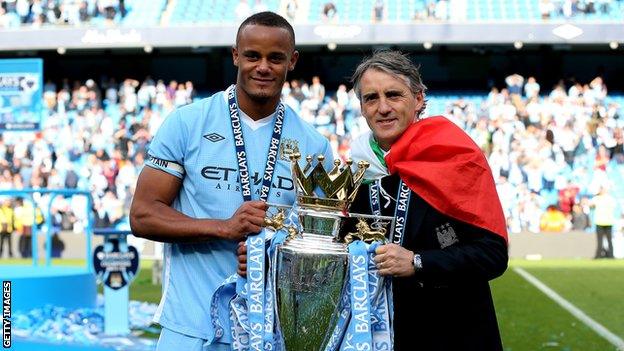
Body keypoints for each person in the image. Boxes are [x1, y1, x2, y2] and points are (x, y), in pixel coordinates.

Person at [129, 11, 332, 351]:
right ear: (236, 55)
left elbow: (319, 248)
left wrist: (273, 255)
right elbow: (143, 214)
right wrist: (224, 227)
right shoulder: (187, 123)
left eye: (275, 58)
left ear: (292, 61)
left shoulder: (314, 146)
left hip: (270, 333)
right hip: (190, 329)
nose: (263, 66)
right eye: (252, 55)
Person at [347, 50, 509, 350]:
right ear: (362, 107)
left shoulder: (454, 155)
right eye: (371, 98)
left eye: (393, 95)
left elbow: (493, 255)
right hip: (379, 335)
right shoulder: (357, 167)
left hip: (453, 333)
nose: (382, 107)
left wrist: (417, 262)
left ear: (419, 99)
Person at [591, 186, 617, 258]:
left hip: (607, 222)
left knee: (607, 240)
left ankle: (607, 255)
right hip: (601, 222)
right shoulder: (601, 198)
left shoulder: (598, 198)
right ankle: (605, 255)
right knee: (602, 241)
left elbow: (591, 206)